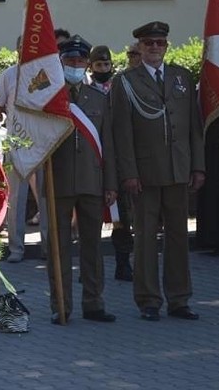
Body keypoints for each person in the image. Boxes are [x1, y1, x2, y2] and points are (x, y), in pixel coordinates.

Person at [111, 21, 205, 321]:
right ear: (139, 47)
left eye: (160, 43)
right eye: (149, 43)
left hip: (178, 169)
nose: (154, 48)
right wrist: (129, 173)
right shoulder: (125, 81)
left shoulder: (181, 77)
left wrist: (198, 165)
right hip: (145, 173)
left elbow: (194, 127)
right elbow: (121, 133)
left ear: (167, 46)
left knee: (179, 237)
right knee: (146, 238)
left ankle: (179, 299)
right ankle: (149, 300)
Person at [47, 36, 118, 325]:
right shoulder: (49, 98)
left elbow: (110, 145)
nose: (75, 65)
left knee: (92, 246)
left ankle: (94, 302)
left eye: (79, 61)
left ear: (87, 64)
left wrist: (111, 184)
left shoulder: (99, 98)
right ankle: (60, 305)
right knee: (58, 248)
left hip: (92, 180)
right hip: (58, 181)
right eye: (69, 61)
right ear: (60, 62)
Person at [0, 36, 47, 263]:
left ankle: (48, 247)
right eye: (22, 47)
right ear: (17, 50)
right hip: (16, 142)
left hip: (43, 143)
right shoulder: (8, 74)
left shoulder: (47, 73)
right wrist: (5, 126)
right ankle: (16, 249)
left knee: (45, 199)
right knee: (16, 199)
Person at [89, 44, 133, 282]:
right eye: (98, 65)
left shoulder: (120, 88)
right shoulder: (85, 91)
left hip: (117, 161)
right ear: (91, 67)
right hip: (94, 162)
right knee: (92, 217)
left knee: (121, 217)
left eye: (106, 65)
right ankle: (91, 267)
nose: (103, 69)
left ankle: (123, 263)